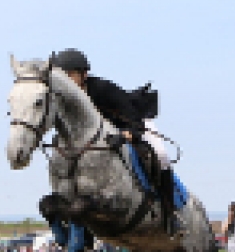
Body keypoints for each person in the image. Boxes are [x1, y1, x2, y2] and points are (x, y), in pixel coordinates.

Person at [52, 48, 179, 240]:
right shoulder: (66, 100)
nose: (65, 80)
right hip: (102, 137)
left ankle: (171, 214)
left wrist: (126, 135)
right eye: (62, 76)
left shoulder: (102, 89)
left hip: (134, 123)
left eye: (70, 75)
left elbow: (134, 118)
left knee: (160, 155)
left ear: (83, 74)